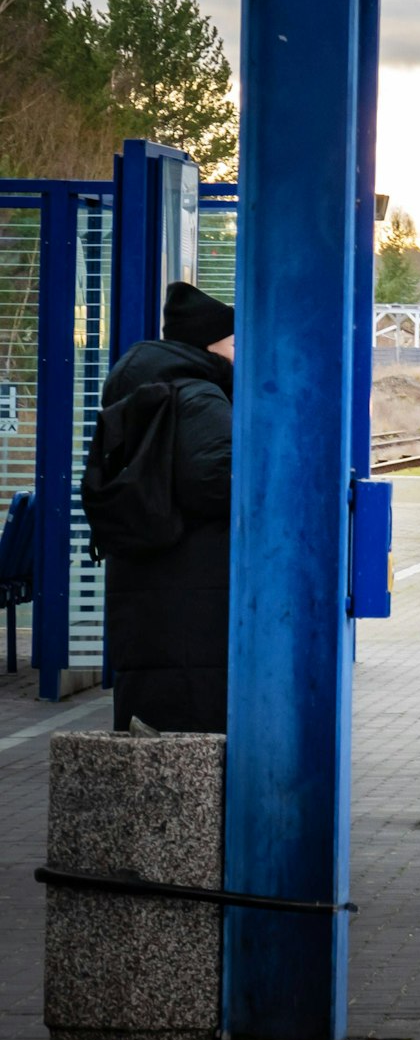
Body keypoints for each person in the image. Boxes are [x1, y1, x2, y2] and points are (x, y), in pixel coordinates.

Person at [84, 282, 234, 734]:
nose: (240, 350)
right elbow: (215, 481)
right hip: (195, 582)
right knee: (193, 719)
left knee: (152, 716)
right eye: (233, 341)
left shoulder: (143, 391)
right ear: (209, 345)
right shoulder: (200, 397)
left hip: (148, 580)